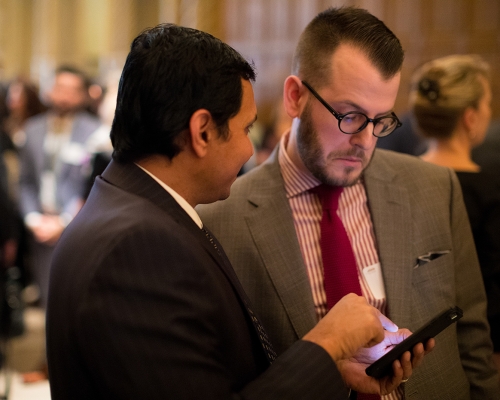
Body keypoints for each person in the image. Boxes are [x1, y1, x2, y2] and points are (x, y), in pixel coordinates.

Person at [46, 23, 429, 400]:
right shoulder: (138, 247)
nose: (250, 151)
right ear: (203, 132)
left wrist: (331, 372)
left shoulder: (128, 209)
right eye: (246, 129)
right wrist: (328, 344)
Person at [197, 7, 500, 400]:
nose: (366, 140)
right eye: (351, 116)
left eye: (381, 120)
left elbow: (474, 343)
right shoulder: (220, 219)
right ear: (295, 97)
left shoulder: (433, 187)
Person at [409, 54, 500, 378]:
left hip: (415, 345)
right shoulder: (491, 189)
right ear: (471, 117)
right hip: (482, 346)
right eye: (489, 102)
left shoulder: (401, 180)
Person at [18, 65, 101, 310]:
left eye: (72, 89)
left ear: (83, 95)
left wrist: (64, 221)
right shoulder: (32, 129)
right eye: (59, 87)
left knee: (76, 301)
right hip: (40, 225)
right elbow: (25, 182)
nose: (64, 95)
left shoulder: (96, 133)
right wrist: (33, 218)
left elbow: (93, 186)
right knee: (48, 298)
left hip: (77, 227)